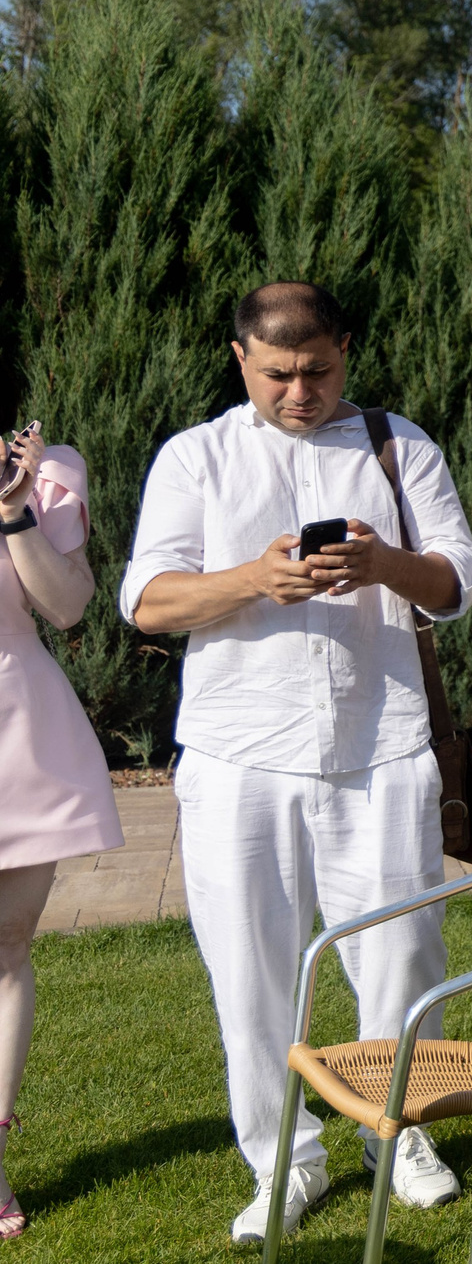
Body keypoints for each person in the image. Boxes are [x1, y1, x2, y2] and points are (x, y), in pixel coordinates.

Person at [122, 283, 472, 1243]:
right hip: (240, 749)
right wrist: (256, 578)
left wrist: (383, 564)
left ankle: (395, 1131)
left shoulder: (398, 445)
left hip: (383, 740)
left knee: (404, 954)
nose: (299, 390)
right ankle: (283, 1156)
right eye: (277, 373)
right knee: (250, 970)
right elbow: (147, 600)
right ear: (239, 356)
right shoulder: (196, 455)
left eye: (317, 370)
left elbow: (458, 577)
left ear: (346, 350)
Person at [0, 422, 123, 1243]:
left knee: (6, 948)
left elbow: (68, 605)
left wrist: (15, 511)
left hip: (18, 734)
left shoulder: (46, 473)